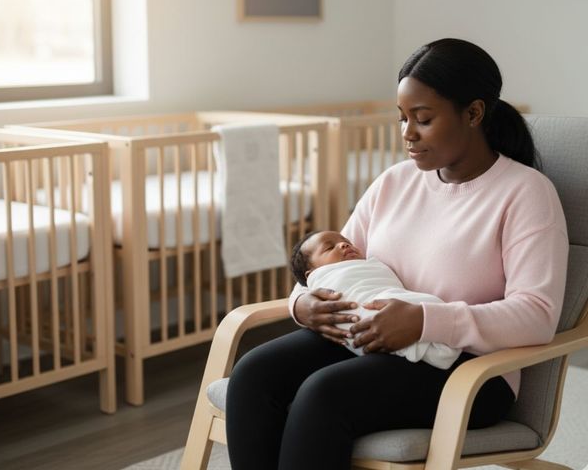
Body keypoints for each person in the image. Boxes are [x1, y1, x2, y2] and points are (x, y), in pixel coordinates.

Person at [225, 38, 568, 470]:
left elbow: (537, 315)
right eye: (403, 118)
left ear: (474, 113)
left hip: (468, 368)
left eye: (423, 119)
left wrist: (425, 320)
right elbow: (330, 265)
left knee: (323, 394)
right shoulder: (394, 182)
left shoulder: (526, 193)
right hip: (371, 344)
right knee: (254, 376)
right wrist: (302, 304)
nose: (407, 134)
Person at [291, 229, 461, 367]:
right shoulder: (325, 277)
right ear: (312, 274)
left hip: (402, 307)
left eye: (347, 243)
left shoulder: (368, 266)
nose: (343, 244)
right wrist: (298, 304)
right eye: (329, 248)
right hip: (353, 318)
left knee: (318, 390)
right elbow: (306, 288)